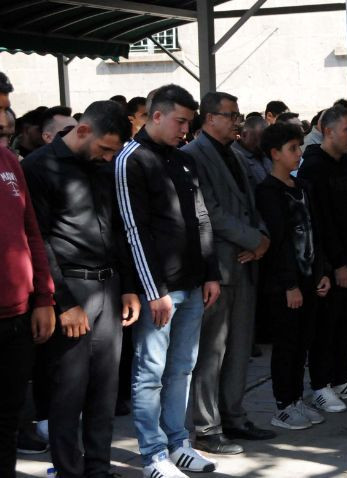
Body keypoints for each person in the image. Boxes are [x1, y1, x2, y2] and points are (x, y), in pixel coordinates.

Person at [22, 100, 139, 478]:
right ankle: (69, 470)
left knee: (105, 391)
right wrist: (63, 301)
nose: (108, 158)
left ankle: (99, 469)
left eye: (114, 152)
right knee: (68, 392)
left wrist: (129, 287)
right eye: (105, 149)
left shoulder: (102, 168)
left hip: (110, 286)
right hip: (70, 288)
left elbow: (118, 228)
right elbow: (37, 240)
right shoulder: (39, 166)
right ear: (83, 130)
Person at [115, 84, 222, 477]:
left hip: (192, 285)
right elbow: (133, 229)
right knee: (150, 372)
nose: (184, 130)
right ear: (155, 116)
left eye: (188, 123)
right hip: (158, 291)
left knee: (182, 368)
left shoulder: (182, 160)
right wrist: (154, 290)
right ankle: (153, 454)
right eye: (180, 121)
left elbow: (201, 217)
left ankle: (179, 443)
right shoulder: (131, 159)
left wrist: (210, 273)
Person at [183, 92, 275, 455]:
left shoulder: (234, 154)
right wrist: (255, 239)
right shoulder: (193, 156)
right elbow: (209, 211)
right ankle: (207, 427)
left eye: (238, 115)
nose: (237, 121)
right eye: (231, 115)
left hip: (246, 262)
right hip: (218, 268)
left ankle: (234, 416)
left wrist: (262, 238)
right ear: (209, 118)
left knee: (239, 348)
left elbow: (251, 204)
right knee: (212, 352)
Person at [256, 123, 331, 429]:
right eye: (292, 149)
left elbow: (316, 231)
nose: (298, 154)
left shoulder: (301, 187)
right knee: (286, 344)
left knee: (303, 342)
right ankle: (283, 404)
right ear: (274, 153)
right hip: (285, 284)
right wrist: (289, 284)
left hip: (309, 276)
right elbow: (279, 241)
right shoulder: (267, 191)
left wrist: (321, 273)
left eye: (299, 147)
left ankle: (297, 397)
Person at [0, 71, 55, 476]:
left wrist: (43, 298)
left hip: (17, 318)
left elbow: (31, 233)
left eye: (5, 111)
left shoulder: (8, 162)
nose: (4, 122)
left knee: (8, 419)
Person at [297, 105, 347, 413]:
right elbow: (320, 222)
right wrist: (336, 264)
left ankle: (340, 376)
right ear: (329, 131)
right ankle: (320, 385)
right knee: (326, 325)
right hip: (328, 262)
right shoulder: (313, 168)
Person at [232, 115, 271, 190]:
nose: (262, 144)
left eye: (265, 139)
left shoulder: (265, 154)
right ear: (244, 135)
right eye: (258, 139)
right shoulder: (233, 158)